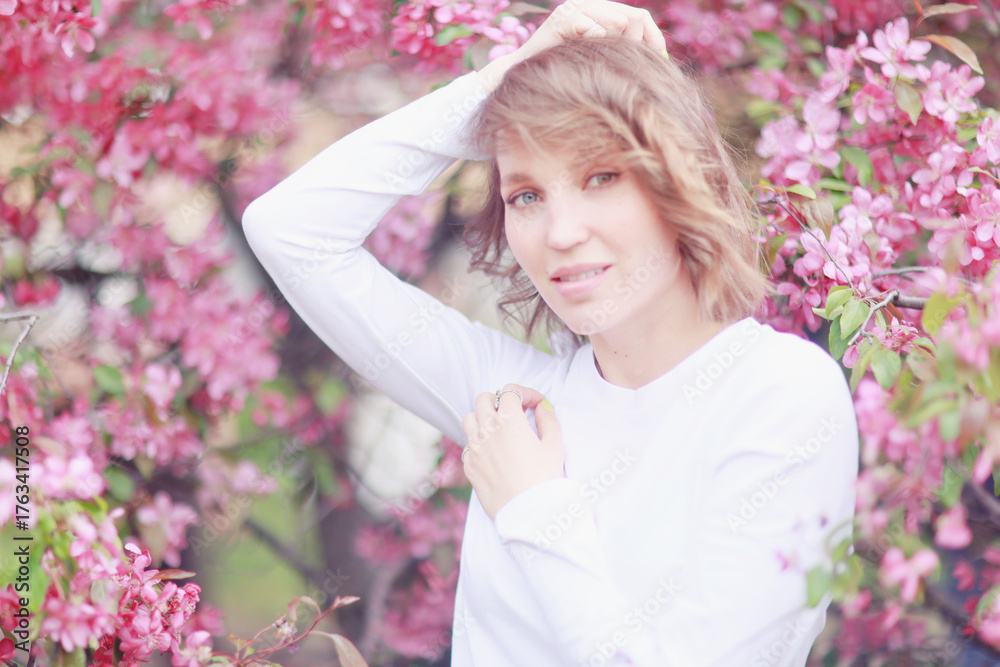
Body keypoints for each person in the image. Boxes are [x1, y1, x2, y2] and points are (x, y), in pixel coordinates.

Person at [241, 0, 859, 664]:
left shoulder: (781, 394)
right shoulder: (513, 401)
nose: (560, 234)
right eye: (527, 195)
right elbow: (292, 232)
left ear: (681, 179)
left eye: (602, 177)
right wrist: (497, 84)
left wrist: (536, 509)